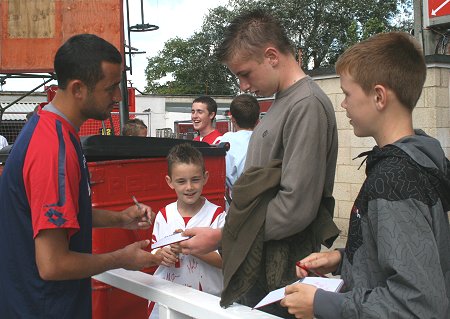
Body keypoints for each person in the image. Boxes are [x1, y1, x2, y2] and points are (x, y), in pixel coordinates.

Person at [181, 9, 339, 316]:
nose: (242, 86)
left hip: (280, 271)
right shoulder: (285, 100)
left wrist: (226, 236)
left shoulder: (306, 104)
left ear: (271, 56)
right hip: (263, 264)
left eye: (245, 73)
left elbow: (295, 206)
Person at [281, 32, 450, 319]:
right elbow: (411, 259)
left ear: (379, 96)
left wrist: (322, 304)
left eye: (347, 94)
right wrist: (342, 259)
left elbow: (417, 304)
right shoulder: (417, 159)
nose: (344, 104)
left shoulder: (395, 178)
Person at [0, 34, 161, 318]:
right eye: (111, 87)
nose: (118, 97)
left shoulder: (52, 130)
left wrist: (120, 218)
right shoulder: (52, 150)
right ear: (78, 89)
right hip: (43, 308)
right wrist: (120, 259)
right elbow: (53, 264)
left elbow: (62, 214)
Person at [148, 143, 225, 318]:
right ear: (170, 182)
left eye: (195, 179)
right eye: (181, 181)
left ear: (205, 177)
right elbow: (154, 255)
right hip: (167, 300)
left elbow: (225, 261)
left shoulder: (218, 216)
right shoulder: (164, 215)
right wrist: (163, 255)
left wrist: (189, 249)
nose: (189, 187)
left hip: (207, 302)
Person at [219, 94, 260, 201]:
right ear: (257, 120)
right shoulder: (267, 139)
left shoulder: (226, 139)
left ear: (232, 119)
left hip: (237, 202)